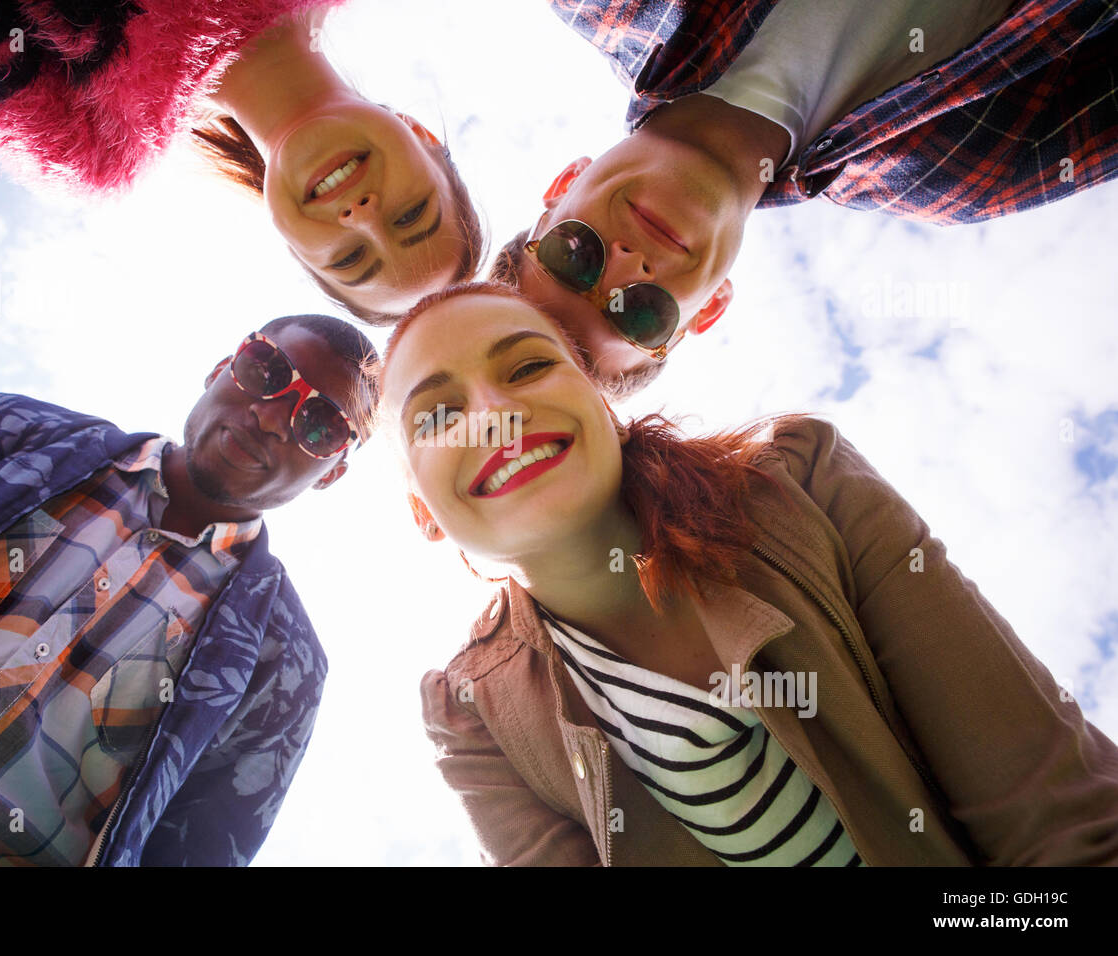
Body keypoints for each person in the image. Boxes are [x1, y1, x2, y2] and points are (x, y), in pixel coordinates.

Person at [380, 281, 1118, 865]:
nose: (495, 414)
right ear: (423, 513)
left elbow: (1055, 817)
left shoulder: (802, 482)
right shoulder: (472, 716)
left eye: (530, 366)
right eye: (436, 416)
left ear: (605, 406)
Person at [0, 313, 378, 866]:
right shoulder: (9, 433)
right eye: (266, 370)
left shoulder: (286, 664)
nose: (272, 418)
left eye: (320, 426)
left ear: (329, 473)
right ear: (220, 369)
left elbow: (199, 851)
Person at [493, 0, 1118, 397]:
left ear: (560, 186)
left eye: (574, 257)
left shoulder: (601, 3)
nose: (628, 263)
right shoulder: (970, 175)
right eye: (639, 314)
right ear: (708, 312)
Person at [0, 1, 484, 321]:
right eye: (412, 214)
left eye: (350, 257)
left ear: (289, 240)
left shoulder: (87, 144)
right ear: (422, 133)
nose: (363, 216)